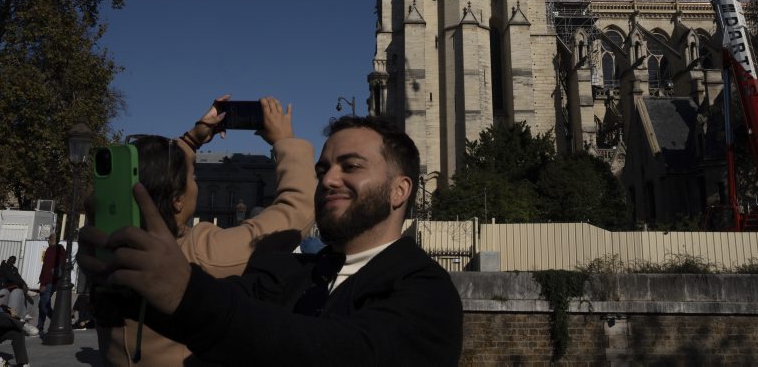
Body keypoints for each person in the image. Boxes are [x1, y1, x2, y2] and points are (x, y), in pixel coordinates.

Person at [81, 114, 463, 366]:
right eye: (323, 168)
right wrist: (123, 278)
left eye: (351, 166)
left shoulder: (425, 291)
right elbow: (227, 310)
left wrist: (185, 292)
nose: (328, 179)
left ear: (400, 190)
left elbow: (342, 350)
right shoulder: (286, 272)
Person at [95, 95, 316, 366]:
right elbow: (296, 212)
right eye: (193, 177)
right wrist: (285, 141)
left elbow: (150, 175)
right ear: (177, 199)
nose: (196, 184)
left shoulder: (105, 245)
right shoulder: (196, 254)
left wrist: (191, 140)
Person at [36, 234, 65, 335]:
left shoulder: (50, 250)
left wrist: (43, 283)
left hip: (48, 282)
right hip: (55, 282)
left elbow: (46, 268)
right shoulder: (61, 251)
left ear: (49, 241)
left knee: (44, 305)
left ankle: (56, 322)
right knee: (42, 304)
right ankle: (39, 327)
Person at [0, 256, 31, 323]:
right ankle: (23, 313)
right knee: (17, 290)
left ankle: (25, 312)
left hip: (10, 287)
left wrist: (24, 284)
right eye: (10, 260)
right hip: (3, 287)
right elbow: (11, 277)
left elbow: (18, 277)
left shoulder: (14, 269)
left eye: (13, 261)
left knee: (20, 291)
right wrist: (22, 283)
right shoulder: (4, 267)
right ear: (8, 260)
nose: (11, 262)